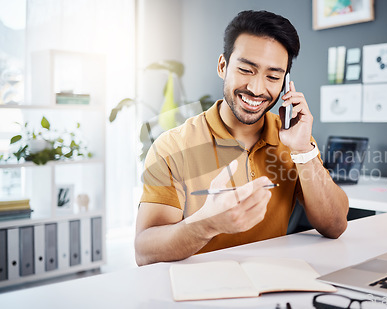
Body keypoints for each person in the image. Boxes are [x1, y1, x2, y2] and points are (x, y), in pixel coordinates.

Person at [135, 10, 349, 265]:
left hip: (273, 285)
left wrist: (304, 150)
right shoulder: (172, 146)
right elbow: (145, 251)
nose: (257, 89)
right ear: (223, 66)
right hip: (199, 292)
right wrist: (206, 224)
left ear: (285, 83)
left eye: (273, 77)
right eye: (246, 70)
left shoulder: (294, 141)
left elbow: (335, 225)